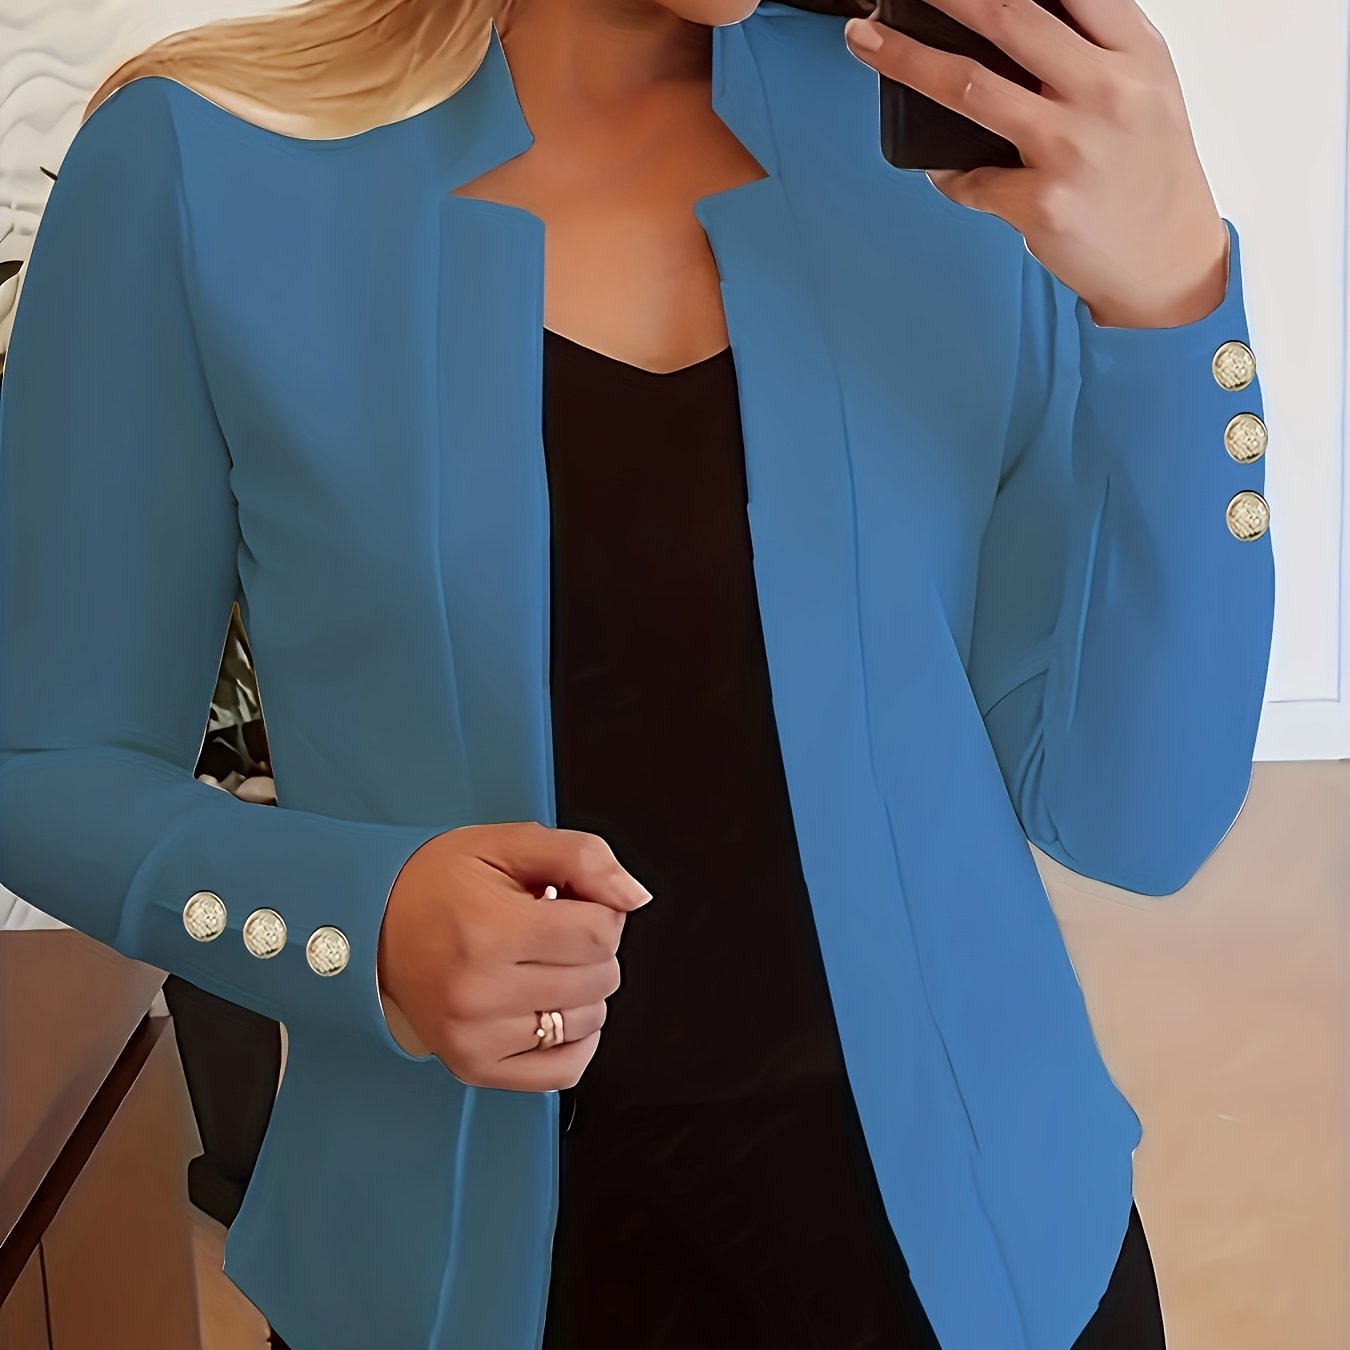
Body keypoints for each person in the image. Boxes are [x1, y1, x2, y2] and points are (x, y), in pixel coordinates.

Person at [0, 1, 1275, 1348]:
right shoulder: (200, 163)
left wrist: (1173, 304)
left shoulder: (954, 156)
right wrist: (359, 923)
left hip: (999, 1270)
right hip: (441, 1281)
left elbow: (1135, 819)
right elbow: (45, 764)